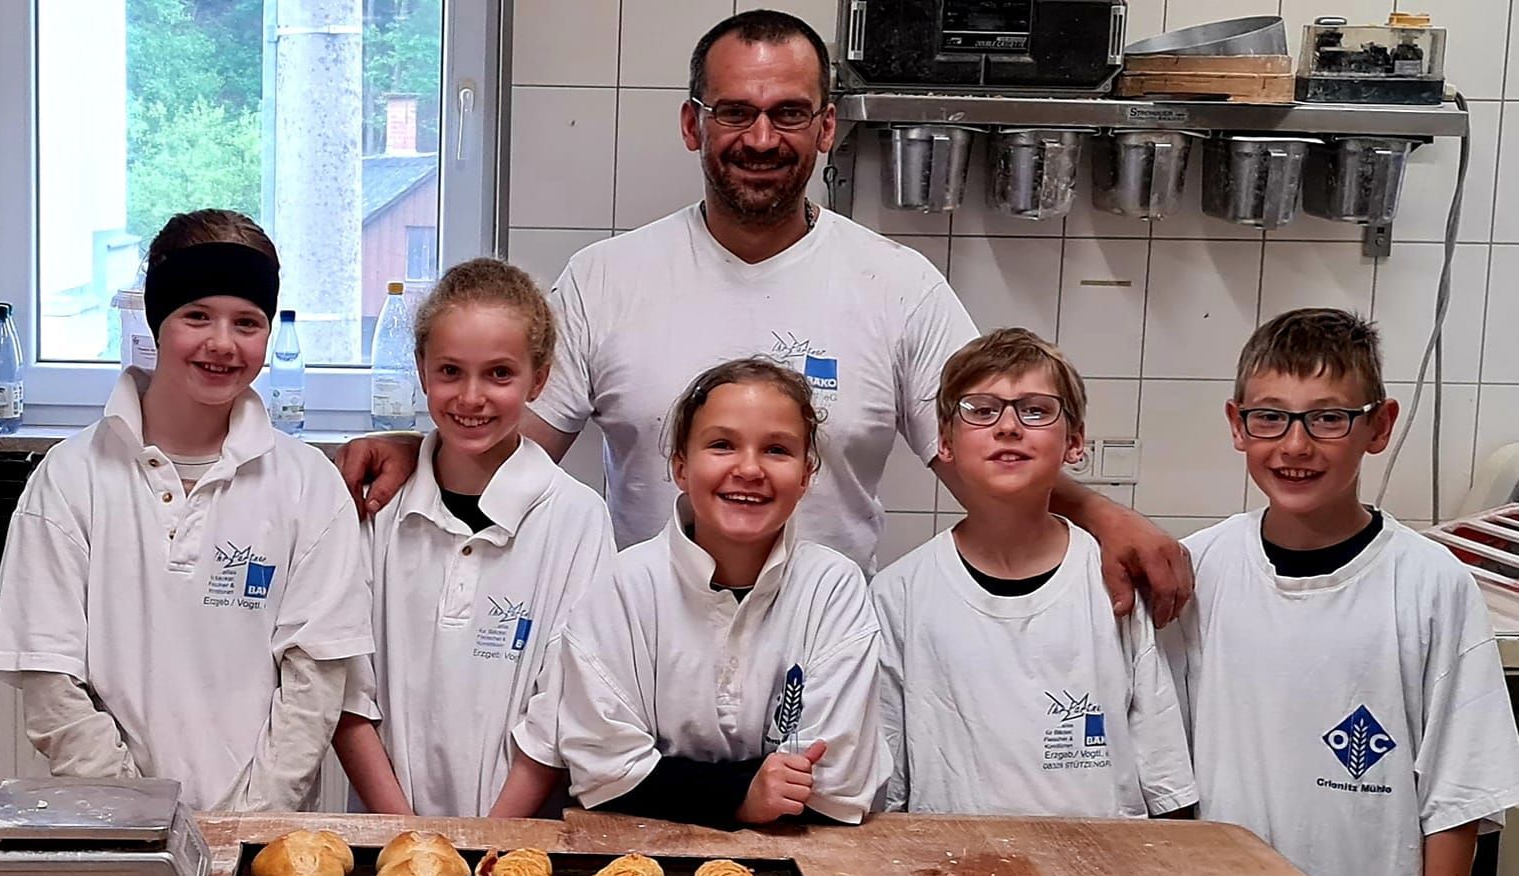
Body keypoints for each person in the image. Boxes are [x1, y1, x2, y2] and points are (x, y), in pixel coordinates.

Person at [336, 9, 1190, 619]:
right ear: (691, 125)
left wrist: (1104, 515)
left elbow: (988, 460)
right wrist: (419, 447)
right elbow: (512, 453)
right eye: (734, 112)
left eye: (788, 113)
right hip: (645, 656)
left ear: (825, 129)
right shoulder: (608, 278)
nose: (759, 137)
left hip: (821, 660)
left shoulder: (897, 285)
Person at [1172, 308, 1519, 876]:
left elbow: (1459, 795)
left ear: (1380, 426)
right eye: (1270, 416)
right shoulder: (1199, 572)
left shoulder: (1428, 583)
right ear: (1237, 425)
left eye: (1328, 418)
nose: (1295, 445)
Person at [0, 210, 370, 811]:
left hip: (261, 837)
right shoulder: (70, 478)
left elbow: (313, 681)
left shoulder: (308, 485)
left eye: (247, 322)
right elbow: (50, 679)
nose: (222, 342)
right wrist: (138, 813)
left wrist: (252, 819)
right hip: (113, 826)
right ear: (155, 318)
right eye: (197, 316)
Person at [496, 356, 884, 827]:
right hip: (641, 861)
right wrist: (741, 792)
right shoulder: (623, 588)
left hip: (805, 864)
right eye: (722, 445)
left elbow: (835, 784)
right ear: (681, 467)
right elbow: (602, 773)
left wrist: (668, 777)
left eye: (777, 450)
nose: (749, 468)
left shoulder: (833, 591)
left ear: (806, 474)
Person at [873, 330, 1195, 820]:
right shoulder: (900, 595)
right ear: (945, 441)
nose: (1008, 427)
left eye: (1036, 410)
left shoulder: (1112, 583)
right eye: (981, 410)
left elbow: (1165, 777)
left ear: (1075, 440)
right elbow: (887, 790)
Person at [334, 259, 613, 816]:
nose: (471, 396)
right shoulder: (376, 508)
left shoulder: (577, 519)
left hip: (514, 839)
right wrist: (402, 832)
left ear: (539, 378)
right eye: (450, 371)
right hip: (384, 832)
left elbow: (562, 700)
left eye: (500, 374)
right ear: (420, 370)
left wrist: (493, 839)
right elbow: (346, 689)